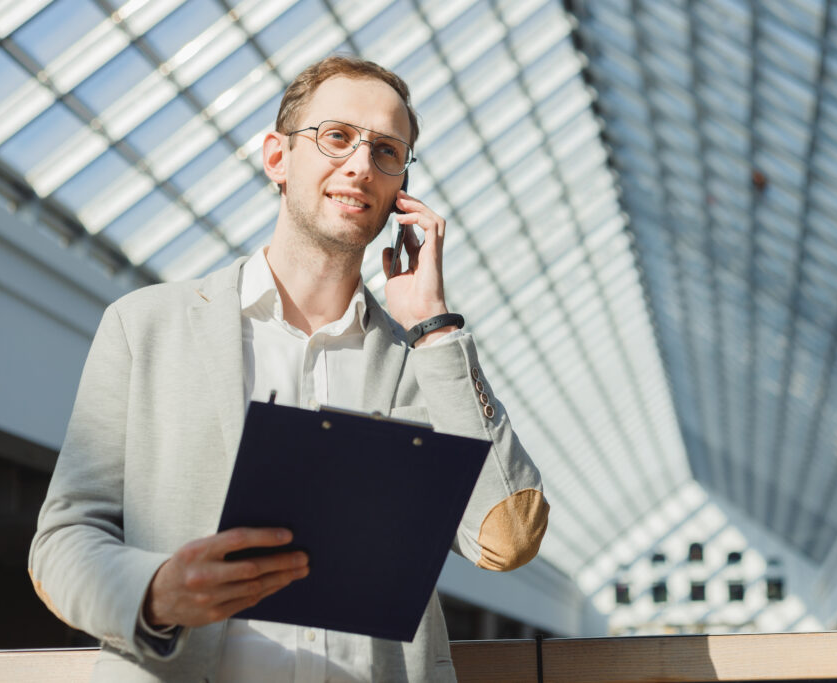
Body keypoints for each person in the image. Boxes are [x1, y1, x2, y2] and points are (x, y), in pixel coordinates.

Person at [28, 55, 548, 682]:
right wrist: (158, 591)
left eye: (387, 151)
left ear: (401, 189)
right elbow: (62, 541)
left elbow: (509, 540)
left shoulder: (424, 365)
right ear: (277, 157)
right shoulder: (147, 328)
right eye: (336, 137)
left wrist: (435, 327)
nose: (360, 164)